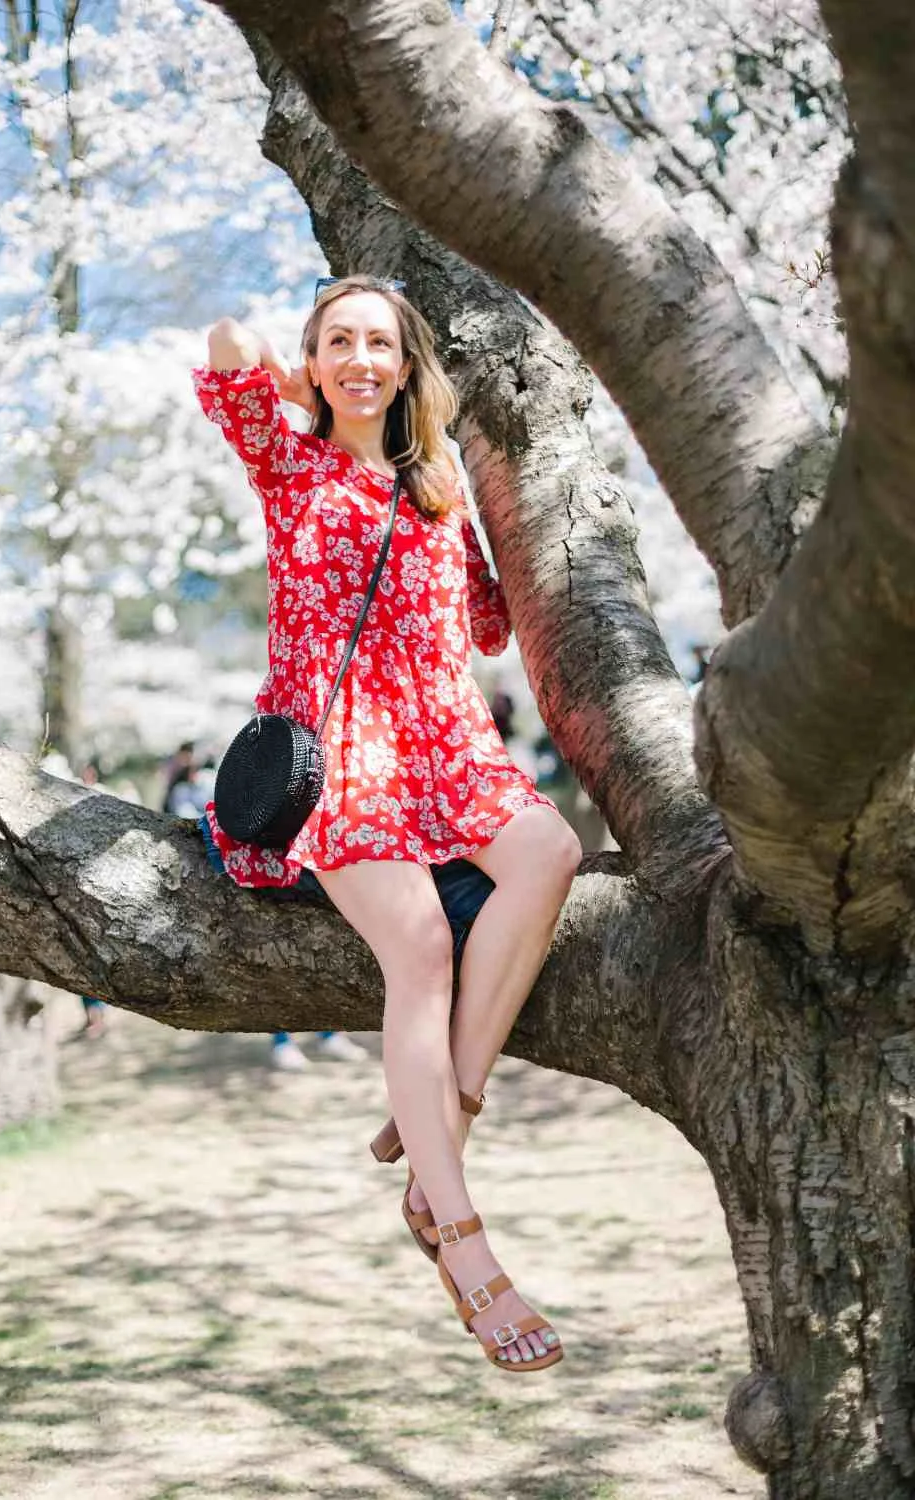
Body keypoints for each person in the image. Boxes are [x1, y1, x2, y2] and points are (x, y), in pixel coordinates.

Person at [194, 275, 580, 1372]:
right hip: (341, 745)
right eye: (340, 342)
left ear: (410, 366)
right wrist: (288, 373)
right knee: (418, 946)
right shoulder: (291, 457)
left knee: (549, 851)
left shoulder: (437, 482)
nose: (362, 358)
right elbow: (224, 342)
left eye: (380, 344)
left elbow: (491, 627)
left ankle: (436, 1132)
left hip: (445, 741)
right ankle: (463, 1243)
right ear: (317, 359)